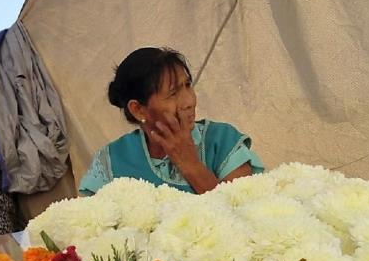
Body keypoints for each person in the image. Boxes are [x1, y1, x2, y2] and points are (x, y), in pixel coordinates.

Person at [79, 47, 264, 195]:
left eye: (187, 86)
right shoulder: (112, 161)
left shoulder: (223, 141)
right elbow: (90, 228)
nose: (189, 102)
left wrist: (189, 163)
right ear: (138, 109)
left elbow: (245, 215)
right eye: (173, 93)